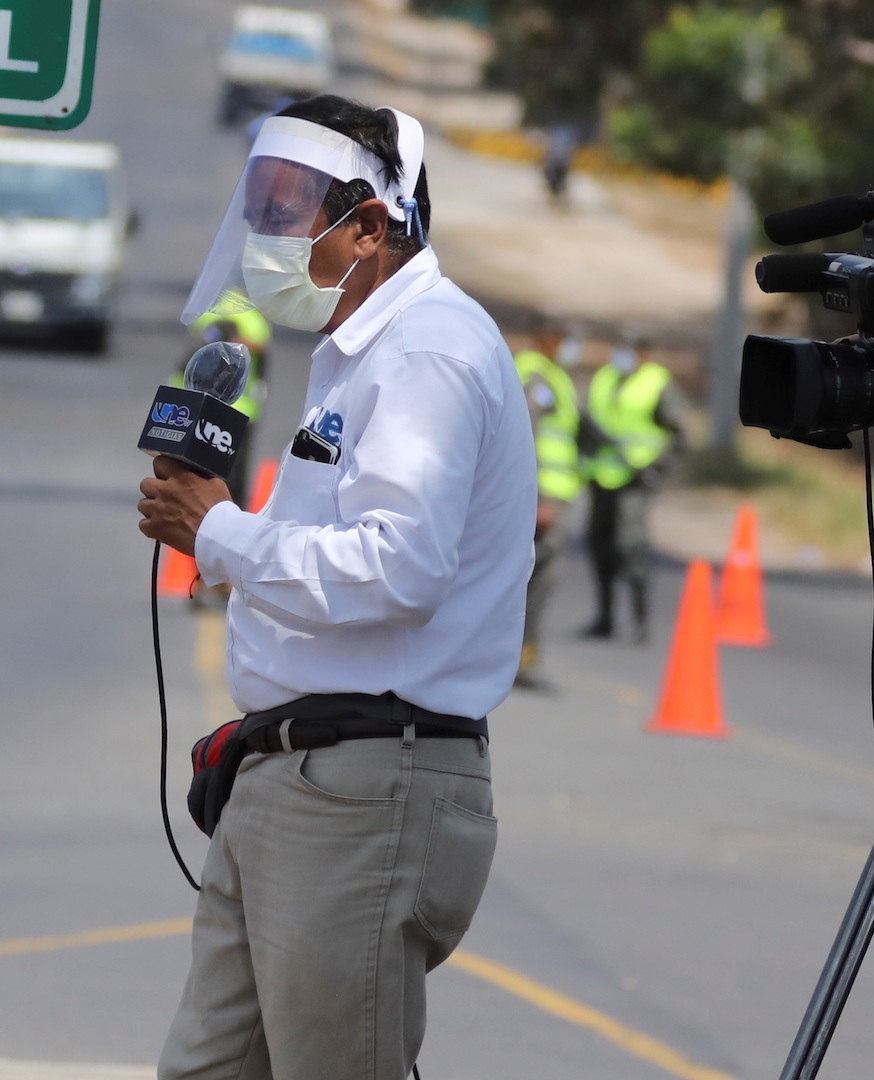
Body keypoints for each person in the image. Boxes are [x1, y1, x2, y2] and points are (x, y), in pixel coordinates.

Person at [136, 95, 536, 1077]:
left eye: (291, 203)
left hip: (362, 787)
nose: (269, 227)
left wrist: (220, 532)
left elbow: (398, 568)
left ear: (370, 225)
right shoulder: (360, 355)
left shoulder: (429, 350)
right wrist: (226, 530)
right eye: (262, 199)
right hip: (295, 779)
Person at [578, 340, 685, 644]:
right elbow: (586, 425)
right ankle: (605, 618)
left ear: (645, 354)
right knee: (600, 546)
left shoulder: (657, 384)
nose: (622, 357)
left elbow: (680, 434)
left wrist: (657, 468)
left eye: (631, 351)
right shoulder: (604, 379)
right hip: (601, 477)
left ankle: (640, 621)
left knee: (630, 546)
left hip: (636, 481)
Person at [513, 335, 583, 692]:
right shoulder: (537, 377)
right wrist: (539, 498)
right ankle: (521, 661)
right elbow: (526, 433)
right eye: (566, 337)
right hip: (544, 498)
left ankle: (520, 659)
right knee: (536, 581)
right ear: (548, 337)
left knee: (535, 579)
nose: (574, 346)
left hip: (554, 495)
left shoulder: (554, 377)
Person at [180, 304, 272, 509]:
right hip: (204, 404)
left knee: (233, 474)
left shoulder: (253, 321)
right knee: (197, 468)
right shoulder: (210, 314)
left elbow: (261, 353)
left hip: (239, 409)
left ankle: (230, 514)